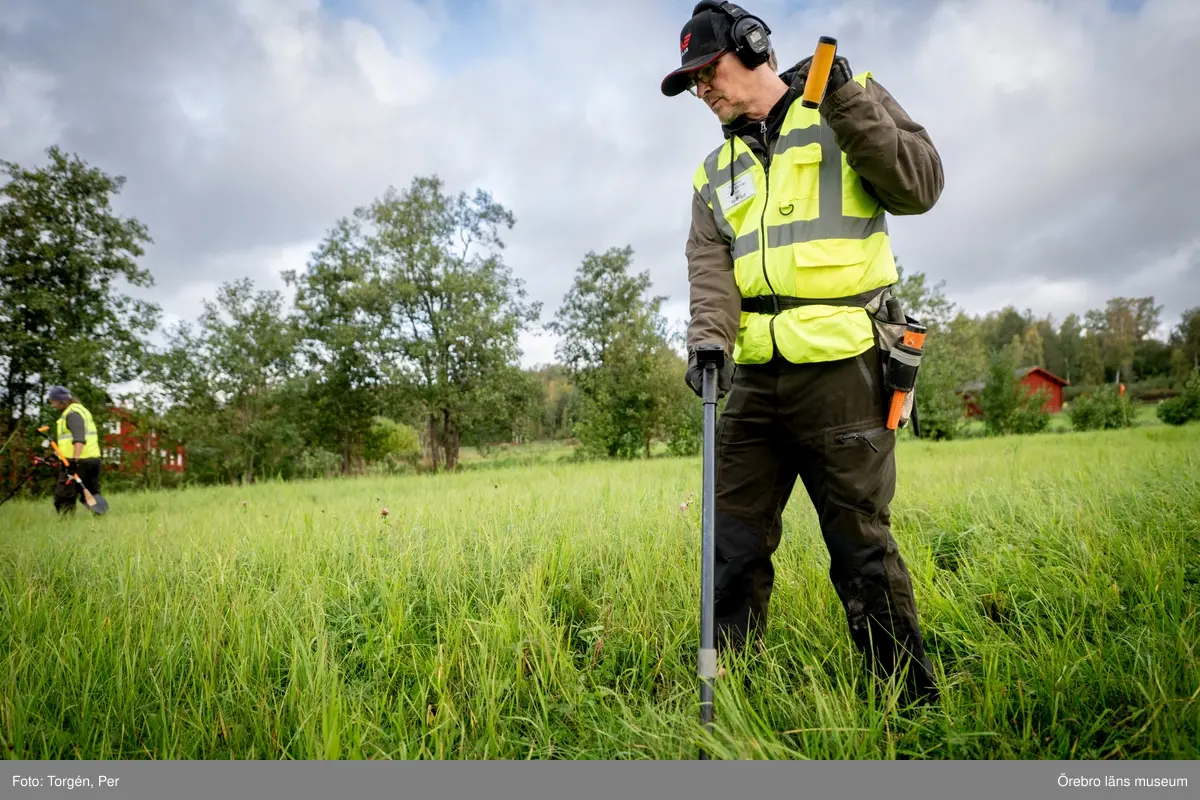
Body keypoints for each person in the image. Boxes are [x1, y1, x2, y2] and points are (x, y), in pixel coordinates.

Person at [662, 1, 943, 702]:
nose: (702, 89)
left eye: (708, 71)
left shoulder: (843, 103)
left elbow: (919, 186)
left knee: (860, 548)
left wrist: (848, 98)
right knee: (731, 546)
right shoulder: (713, 172)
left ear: (754, 48)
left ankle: (907, 700)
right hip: (755, 380)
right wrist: (709, 341)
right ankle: (730, 688)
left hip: (845, 369)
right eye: (691, 81)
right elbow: (710, 268)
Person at [47, 385, 103, 515]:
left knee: (64, 495)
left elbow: (79, 439)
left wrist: (73, 462)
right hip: (92, 459)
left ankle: (65, 522)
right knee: (89, 491)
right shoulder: (81, 410)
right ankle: (100, 516)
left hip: (78, 460)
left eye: (53, 402)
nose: (53, 405)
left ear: (62, 401)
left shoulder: (72, 414)